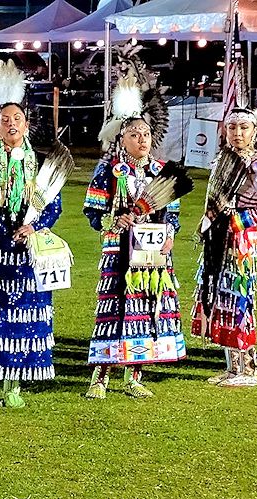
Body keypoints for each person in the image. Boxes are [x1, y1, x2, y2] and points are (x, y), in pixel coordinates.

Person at [0, 63, 62, 409]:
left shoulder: (41, 164)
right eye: (5, 119)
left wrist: (32, 227)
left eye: (17, 118)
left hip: (27, 250)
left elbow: (52, 204)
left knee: (21, 315)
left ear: (27, 124)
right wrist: (3, 233)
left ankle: (12, 386)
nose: (11, 124)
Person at [83, 76, 186, 399]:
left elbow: (173, 215)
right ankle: (99, 378)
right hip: (118, 249)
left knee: (145, 309)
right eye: (134, 134)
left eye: (146, 134)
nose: (141, 139)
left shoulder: (162, 171)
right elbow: (92, 212)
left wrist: (169, 234)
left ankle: (133, 376)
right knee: (113, 309)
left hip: (152, 251)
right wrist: (114, 219)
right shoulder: (109, 171)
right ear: (121, 139)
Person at [192, 106, 257, 387]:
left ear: (255, 132)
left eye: (244, 128)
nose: (237, 133)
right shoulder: (223, 159)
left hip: (239, 241)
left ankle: (248, 371)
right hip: (217, 235)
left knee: (239, 300)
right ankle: (232, 368)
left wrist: (237, 220)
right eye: (232, 127)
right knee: (219, 298)